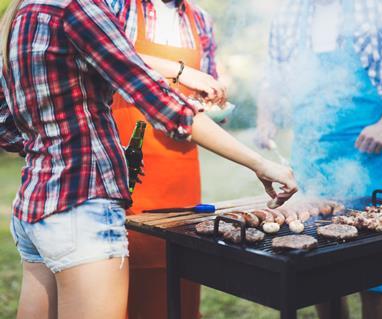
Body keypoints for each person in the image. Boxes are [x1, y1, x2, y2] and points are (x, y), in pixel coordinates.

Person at [0, 0, 297, 318]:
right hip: (82, 206)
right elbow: (166, 107)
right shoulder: (78, 7)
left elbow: (6, 125)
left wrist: (51, 145)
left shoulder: (20, 13)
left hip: (35, 203)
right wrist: (260, 163)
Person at [256, 0, 382, 318]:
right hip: (309, 158)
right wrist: (265, 118)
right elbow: (273, 77)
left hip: (363, 157)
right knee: (320, 270)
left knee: (377, 275)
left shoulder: (379, 7)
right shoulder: (288, 13)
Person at [107, 0, 223, 318]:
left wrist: (211, 98)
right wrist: (182, 72)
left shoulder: (201, 19)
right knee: (131, 257)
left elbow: (205, 84)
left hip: (181, 160)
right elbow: (111, 57)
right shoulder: (120, 5)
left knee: (181, 258)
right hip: (127, 158)